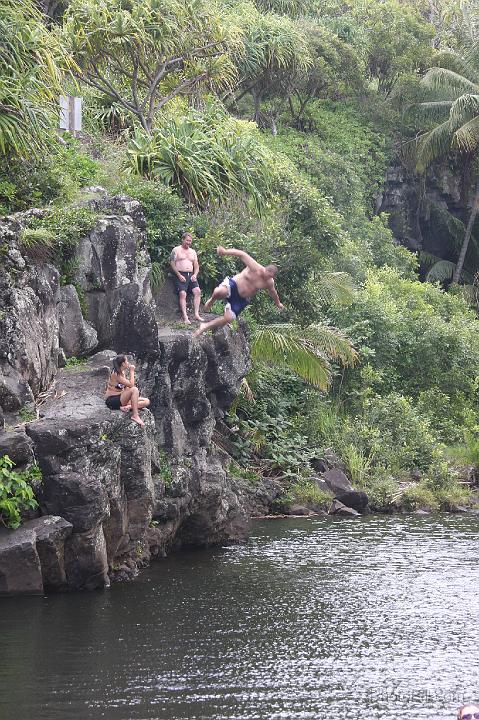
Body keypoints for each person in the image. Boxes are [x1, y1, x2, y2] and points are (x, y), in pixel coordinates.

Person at [193, 245, 284, 337]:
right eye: (267, 275)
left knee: (228, 318)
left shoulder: (269, 282)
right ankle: (212, 300)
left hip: (241, 299)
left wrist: (278, 303)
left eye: (270, 277)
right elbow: (241, 254)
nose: (267, 278)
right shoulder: (255, 267)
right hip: (233, 285)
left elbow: (273, 292)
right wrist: (225, 252)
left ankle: (205, 326)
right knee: (218, 292)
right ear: (265, 269)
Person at [104, 354, 150, 427]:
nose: (128, 363)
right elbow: (131, 385)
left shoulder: (122, 372)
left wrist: (130, 397)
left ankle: (128, 407)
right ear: (123, 364)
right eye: (127, 361)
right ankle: (135, 415)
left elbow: (125, 387)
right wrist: (132, 371)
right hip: (112, 400)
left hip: (121, 398)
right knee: (134, 389)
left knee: (146, 401)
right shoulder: (116, 374)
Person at [170, 232, 203, 324]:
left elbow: (196, 265)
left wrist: (195, 275)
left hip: (191, 275)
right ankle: (185, 317)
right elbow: (172, 263)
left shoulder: (193, 252)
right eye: (187, 240)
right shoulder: (176, 250)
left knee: (197, 291)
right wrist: (179, 275)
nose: (188, 242)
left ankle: (196, 314)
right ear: (183, 239)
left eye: (190, 241)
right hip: (180, 274)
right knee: (182, 294)